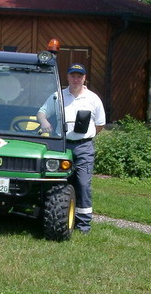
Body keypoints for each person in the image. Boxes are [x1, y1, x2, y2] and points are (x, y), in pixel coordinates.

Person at [37, 63, 106, 234]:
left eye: (79, 76)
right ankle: (53, 216)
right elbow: (41, 113)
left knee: (82, 183)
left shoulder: (93, 98)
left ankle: (83, 225)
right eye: (72, 76)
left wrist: (86, 138)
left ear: (84, 78)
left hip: (84, 146)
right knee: (58, 182)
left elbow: (100, 124)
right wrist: (45, 122)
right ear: (67, 77)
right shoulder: (58, 97)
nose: (76, 79)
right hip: (62, 145)